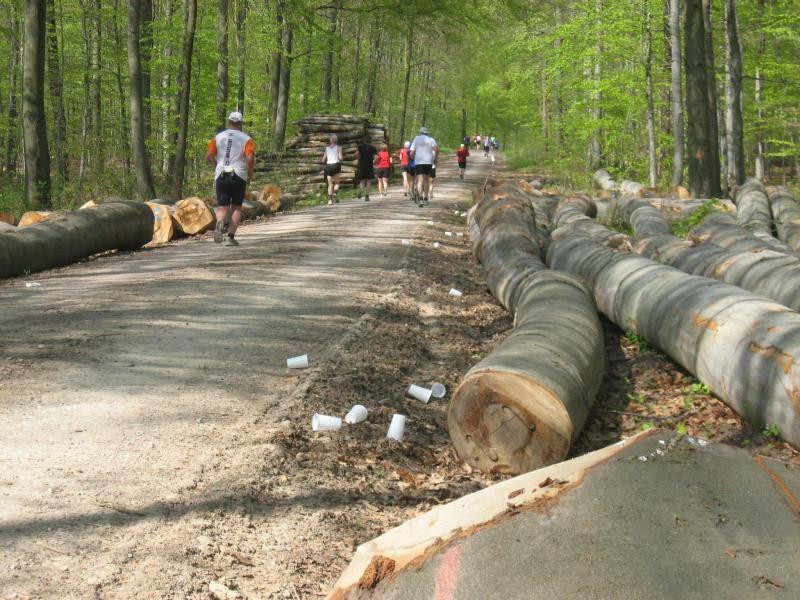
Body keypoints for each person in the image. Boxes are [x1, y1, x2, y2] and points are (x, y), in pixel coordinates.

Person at [206, 111, 255, 246]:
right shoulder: (246, 139)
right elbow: (250, 158)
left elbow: (208, 156)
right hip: (238, 174)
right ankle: (230, 237)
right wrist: (250, 172)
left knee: (223, 206)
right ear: (241, 123)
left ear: (229, 122)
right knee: (237, 207)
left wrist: (216, 166)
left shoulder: (218, 137)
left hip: (221, 174)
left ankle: (219, 223)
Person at [409, 126, 438, 207]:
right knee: (426, 180)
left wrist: (412, 158)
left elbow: (411, 152)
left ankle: (420, 198)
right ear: (427, 133)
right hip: (428, 162)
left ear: (420, 132)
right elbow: (436, 149)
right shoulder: (431, 139)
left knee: (420, 180)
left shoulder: (416, 138)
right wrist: (435, 159)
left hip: (419, 162)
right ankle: (426, 198)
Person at [320, 134, 343, 205]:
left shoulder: (327, 148)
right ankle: (335, 193)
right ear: (337, 140)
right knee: (337, 183)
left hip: (328, 166)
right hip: (336, 165)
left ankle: (330, 200)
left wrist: (323, 161)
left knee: (330, 184)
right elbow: (340, 158)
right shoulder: (339, 148)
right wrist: (341, 159)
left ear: (330, 140)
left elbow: (323, 160)